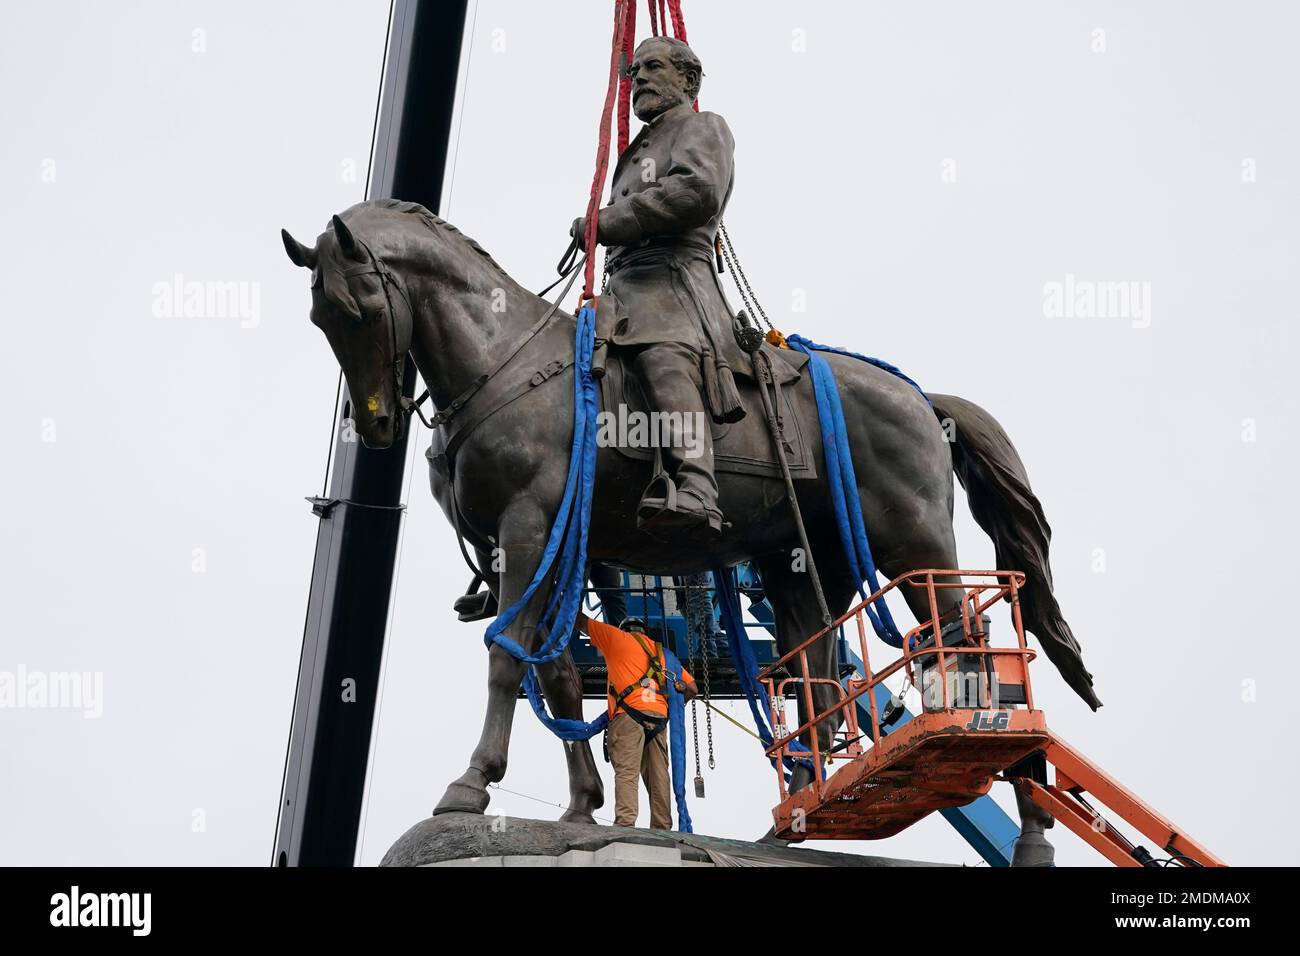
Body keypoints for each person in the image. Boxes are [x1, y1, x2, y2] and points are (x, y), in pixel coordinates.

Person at [571, 35, 744, 540]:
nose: (639, 79)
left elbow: (696, 191)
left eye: (651, 68)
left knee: (661, 357)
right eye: (634, 73)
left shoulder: (703, 126)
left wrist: (609, 221)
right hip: (624, 286)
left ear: (687, 80)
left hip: (674, 284)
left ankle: (697, 486)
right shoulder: (636, 152)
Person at [576, 611, 697, 829]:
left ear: (625, 629)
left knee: (627, 773)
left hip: (628, 717)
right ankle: (662, 828)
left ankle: (625, 824)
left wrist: (553, 594)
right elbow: (692, 689)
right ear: (645, 633)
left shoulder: (616, 638)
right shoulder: (665, 656)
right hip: (658, 719)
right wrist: (669, 708)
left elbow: (580, 621)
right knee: (660, 777)